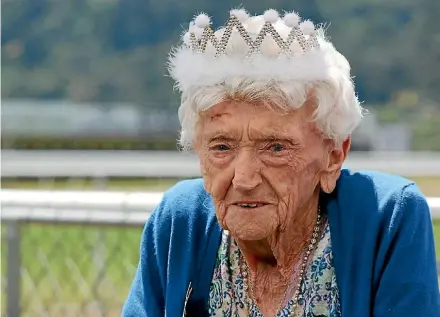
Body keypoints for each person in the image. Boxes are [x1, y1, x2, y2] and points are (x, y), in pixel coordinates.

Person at [122, 8, 440, 317]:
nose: (244, 179)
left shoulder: (387, 217)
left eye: (275, 147)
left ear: (334, 156)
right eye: (221, 147)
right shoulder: (180, 221)